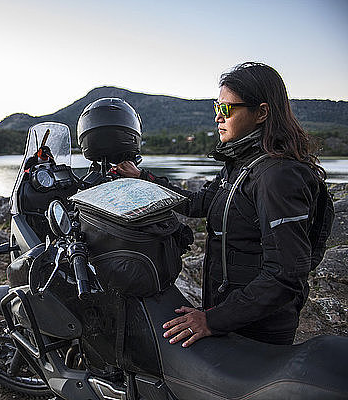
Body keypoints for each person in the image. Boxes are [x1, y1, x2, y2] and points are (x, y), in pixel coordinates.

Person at [116, 62, 330, 347]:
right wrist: (143, 177)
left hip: (259, 331)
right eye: (215, 108)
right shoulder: (240, 164)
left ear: (261, 113)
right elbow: (199, 203)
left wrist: (212, 320)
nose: (218, 117)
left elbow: (285, 275)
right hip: (231, 316)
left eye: (226, 109)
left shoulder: (278, 176)